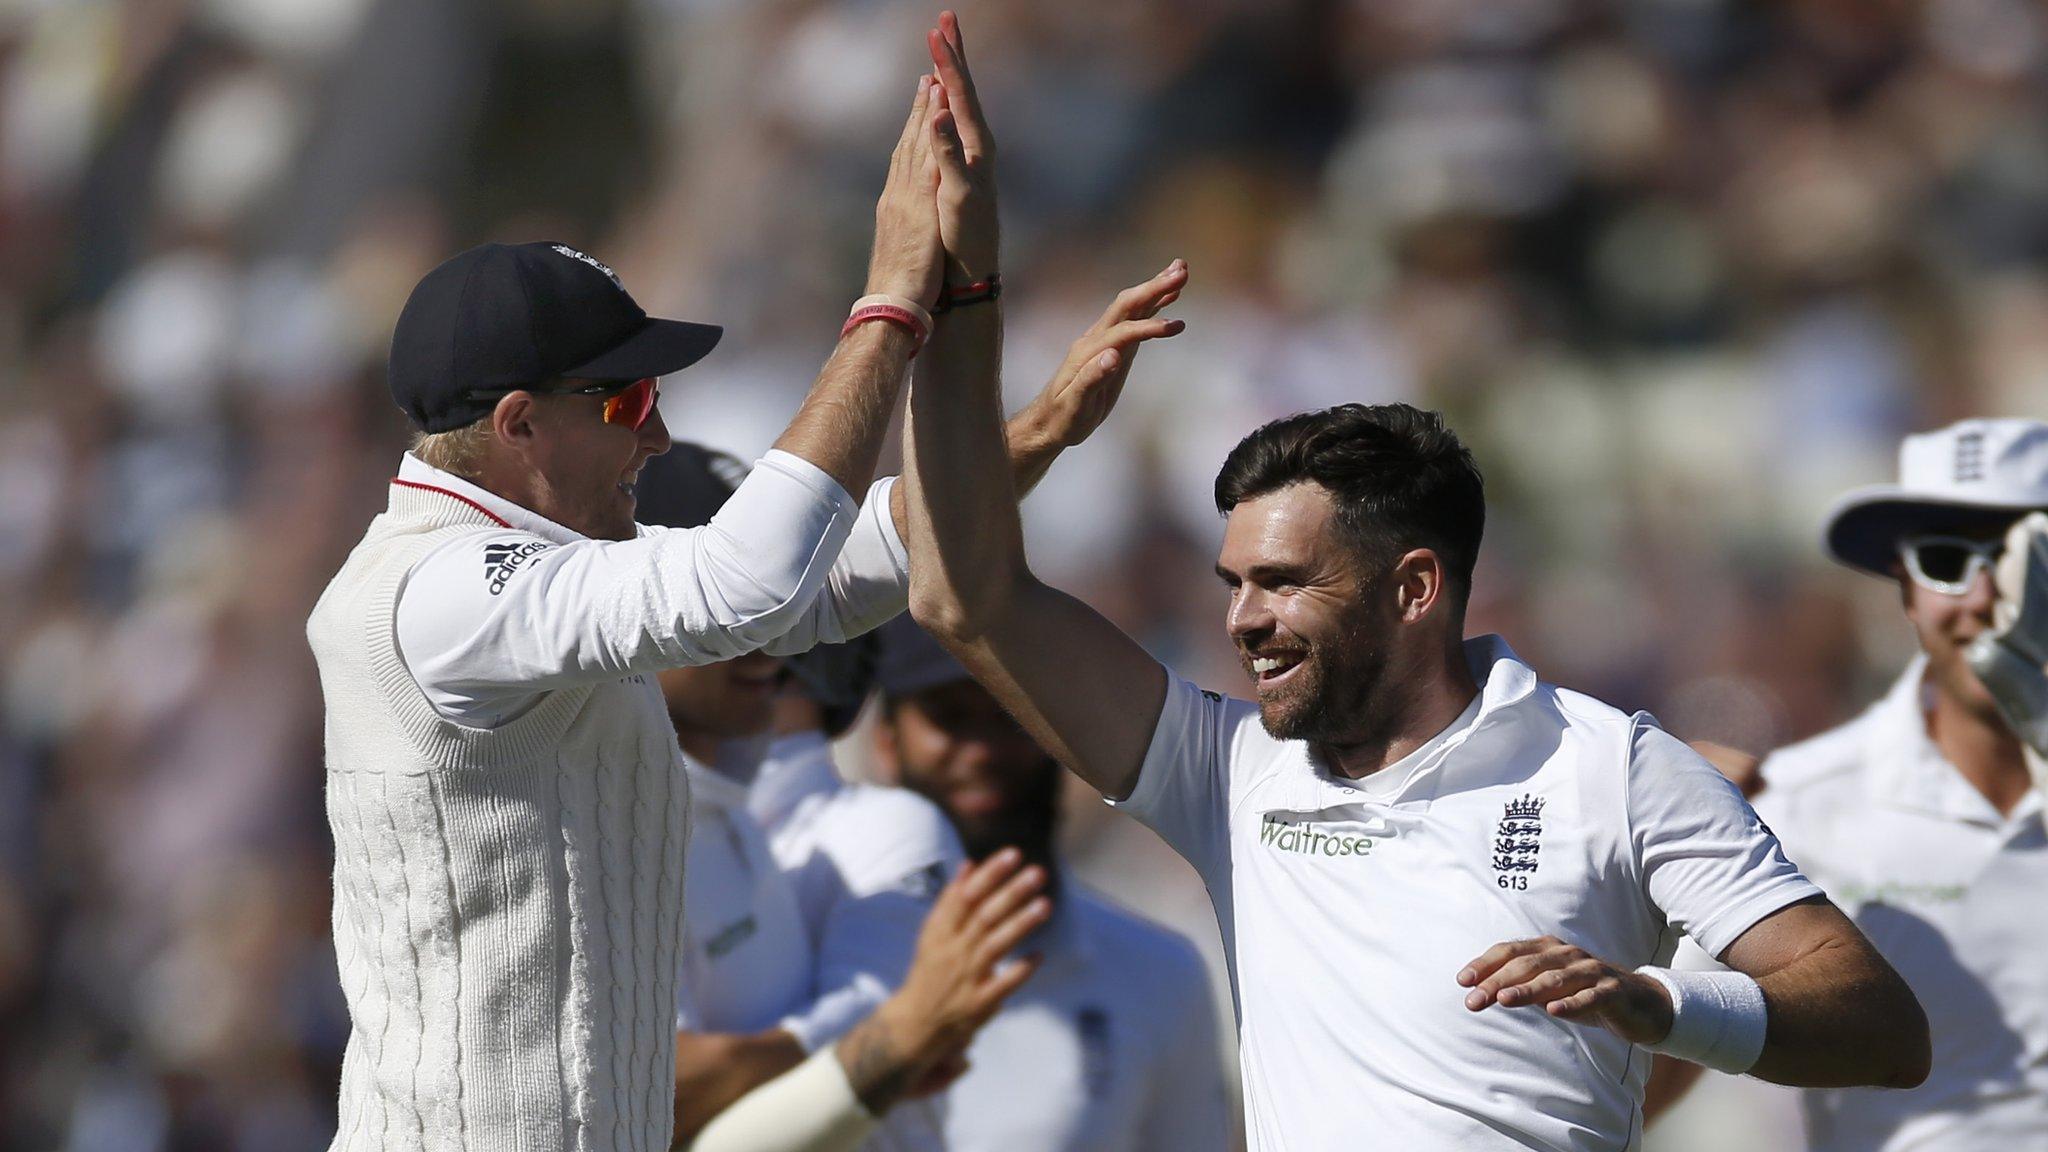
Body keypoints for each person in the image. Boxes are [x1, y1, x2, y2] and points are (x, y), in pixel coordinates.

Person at [897, 49, 1931, 1132]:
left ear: (1413, 588)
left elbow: (1878, 1026)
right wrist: (969, 302)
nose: (1241, 619)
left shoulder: (1611, 768)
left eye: (1282, 583)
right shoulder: (1223, 771)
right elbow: (958, 594)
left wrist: (1661, 1003)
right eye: (1232, 583)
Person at [306, 73, 957, 1151]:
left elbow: (821, 584)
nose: (655, 440)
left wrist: (1032, 440)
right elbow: (748, 583)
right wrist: (888, 305)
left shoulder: (533, 575)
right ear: (517, 426)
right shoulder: (437, 593)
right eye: (628, 404)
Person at [1646, 419, 2048, 1151]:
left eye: (2028, 564)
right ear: (1905, 586)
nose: (1991, 598)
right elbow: (1637, 1101)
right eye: (1947, 560)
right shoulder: (1791, 808)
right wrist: (1660, 915)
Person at [864, 614, 1233, 1152]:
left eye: (1009, 716)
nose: (982, 751)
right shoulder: (818, 937)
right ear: (887, 743)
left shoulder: (1160, 973)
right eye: (949, 717)